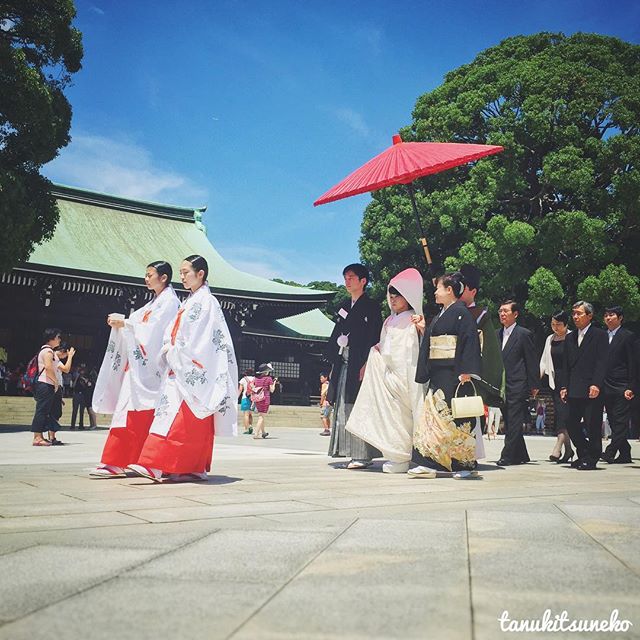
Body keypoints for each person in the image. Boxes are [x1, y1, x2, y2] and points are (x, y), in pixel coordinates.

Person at [129, 255, 238, 482]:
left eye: (186, 272)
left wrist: (178, 353)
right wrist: (171, 348)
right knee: (181, 417)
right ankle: (191, 465)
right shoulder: (190, 301)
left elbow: (204, 340)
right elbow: (176, 331)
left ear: (201, 274)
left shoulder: (207, 302)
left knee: (173, 417)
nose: (182, 277)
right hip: (181, 364)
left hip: (192, 366)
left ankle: (155, 464)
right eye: (180, 273)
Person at [91, 261, 180, 477]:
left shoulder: (169, 302)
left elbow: (154, 333)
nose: (146, 278)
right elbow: (139, 323)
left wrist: (127, 325)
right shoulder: (153, 303)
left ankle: (137, 460)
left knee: (143, 414)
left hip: (151, 368)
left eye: (150, 275)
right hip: (138, 367)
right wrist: (124, 324)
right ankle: (116, 459)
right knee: (125, 413)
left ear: (164, 277)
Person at [345, 268, 424, 473]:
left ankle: (404, 457)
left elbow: (410, 351)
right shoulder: (389, 321)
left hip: (405, 375)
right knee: (392, 417)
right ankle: (395, 455)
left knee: (402, 416)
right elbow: (383, 345)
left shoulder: (413, 319)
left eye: (398, 294)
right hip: (388, 374)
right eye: (391, 294)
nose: (393, 298)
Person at [410, 271, 482, 479]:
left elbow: (469, 341)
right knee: (432, 420)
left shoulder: (463, 313)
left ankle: (464, 464)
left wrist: (466, 371)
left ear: (449, 290)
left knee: (459, 419)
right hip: (438, 373)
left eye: (438, 288)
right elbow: (433, 341)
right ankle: (428, 462)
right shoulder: (441, 314)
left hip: (455, 373)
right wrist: (425, 328)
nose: (435, 292)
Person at [326, 263, 383, 469]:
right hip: (343, 361)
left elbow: (375, 336)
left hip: (361, 361)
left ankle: (362, 454)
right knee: (342, 406)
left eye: (351, 277)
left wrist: (368, 363)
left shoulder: (372, 306)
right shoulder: (344, 304)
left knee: (358, 406)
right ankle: (346, 450)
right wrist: (334, 360)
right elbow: (336, 331)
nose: (347, 281)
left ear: (363, 281)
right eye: (345, 277)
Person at [558, 301, 608, 471]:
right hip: (573, 387)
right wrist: (564, 386)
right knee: (570, 421)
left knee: (592, 423)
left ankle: (592, 458)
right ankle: (584, 452)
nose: (575, 317)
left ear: (589, 315)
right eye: (574, 313)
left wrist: (596, 384)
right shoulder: (570, 337)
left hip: (591, 388)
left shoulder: (599, 335)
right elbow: (565, 365)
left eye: (579, 313)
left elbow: (602, 362)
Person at [496, 300, 539, 466]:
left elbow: (531, 360)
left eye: (506, 311)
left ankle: (508, 455)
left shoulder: (524, 334)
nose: (502, 314)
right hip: (502, 385)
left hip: (518, 383)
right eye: (500, 311)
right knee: (508, 419)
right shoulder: (496, 334)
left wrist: (534, 385)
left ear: (515, 314)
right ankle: (521, 454)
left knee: (514, 420)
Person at [601, 306, 636, 464]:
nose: (608, 318)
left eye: (612, 315)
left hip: (622, 385)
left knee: (620, 420)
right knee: (614, 420)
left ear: (620, 318)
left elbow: (633, 363)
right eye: (606, 315)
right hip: (605, 385)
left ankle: (610, 451)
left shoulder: (628, 336)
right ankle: (625, 452)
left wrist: (632, 386)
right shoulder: (602, 336)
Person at [539, 311, 574, 462]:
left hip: (571, 382)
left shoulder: (573, 337)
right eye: (553, 324)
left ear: (566, 324)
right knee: (560, 415)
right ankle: (569, 450)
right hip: (555, 381)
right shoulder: (549, 339)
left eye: (558, 324)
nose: (555, 327)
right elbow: (544, 361)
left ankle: (558, 447)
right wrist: (537, 380)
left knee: (565, 415)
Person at [30, 328, 63, 446]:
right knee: (42, 410)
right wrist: (55, 382)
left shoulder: (46, 351)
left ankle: (39, 436)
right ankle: (37, 437)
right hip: (45, 384)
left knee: (44, 410)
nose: (59, 340)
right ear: (52, 338)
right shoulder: (48, 351)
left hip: (45, 384)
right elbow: (48, 368)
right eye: (58, 337)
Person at [48, 342, 76, 445]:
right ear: (63, 352)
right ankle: (51, 437)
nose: (65, 357)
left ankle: (52, 437)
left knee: (55, 413)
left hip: (56, 390)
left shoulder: (54, 357)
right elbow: (66, 369)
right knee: (54, 413)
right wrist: (70, 357)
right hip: (54, 388)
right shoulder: (54, 357)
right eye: (65, 354)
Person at [249, 363, 277, 439]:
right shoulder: (269, 379)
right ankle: (256, 433)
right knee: (261, 416)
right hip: (265, 399)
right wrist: (274, 383)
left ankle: (263, 432)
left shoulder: (256, 379)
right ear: (266, 371)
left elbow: (252, 386)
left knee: (261, 415)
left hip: (257, 399)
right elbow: (272, 390)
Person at [238, 368, 255, 435]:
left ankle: (247, 429)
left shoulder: (243, 379)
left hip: (245, 398)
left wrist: (236, 398)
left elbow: (240, 390)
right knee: (250, 414)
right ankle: (250, 425)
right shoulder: (255, 379)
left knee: (246, 414)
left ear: (246, 373)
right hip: (253, 398)